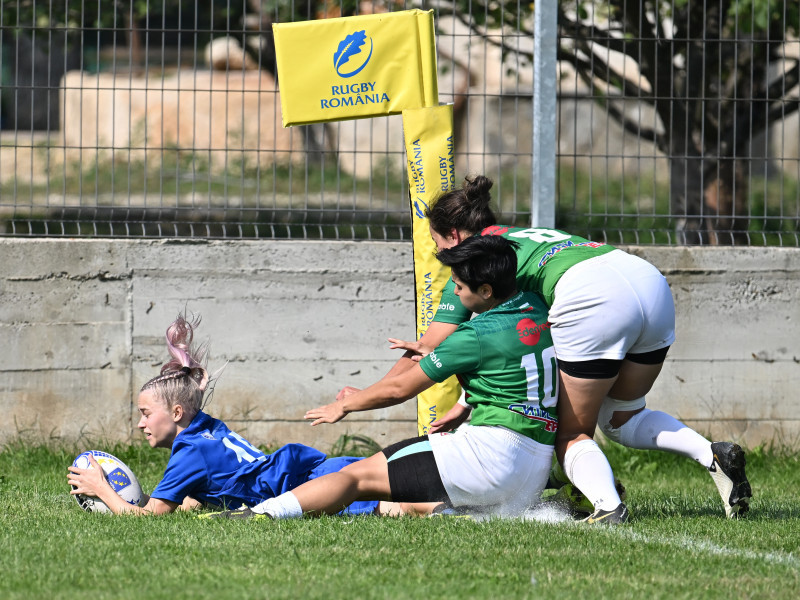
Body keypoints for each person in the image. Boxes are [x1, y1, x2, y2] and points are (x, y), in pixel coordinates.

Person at [349, 175, 751, 523]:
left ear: (453, 237)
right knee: (622, 415)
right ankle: (710, 453)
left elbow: (427, 347)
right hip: (645, 281)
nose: (441, 255)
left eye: (438, 244)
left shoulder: (478, 263)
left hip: (592, 296)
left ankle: (606, 507)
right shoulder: (520, 235)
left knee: (573, 431)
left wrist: (361, 397)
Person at [206, 235, 560, 520]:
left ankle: (262, 515)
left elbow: (398, 389)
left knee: (354, 477)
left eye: (460, 286)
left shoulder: (474, 336)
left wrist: (344, 406)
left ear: (485, 291)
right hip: (535, 468)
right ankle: (468, 514)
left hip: (490, 459)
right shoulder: (538, 304)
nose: (455, 293)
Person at [67, 313, 424, 517]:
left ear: (177, 412)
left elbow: (149, 519)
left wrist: (102, 488)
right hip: (320, 471)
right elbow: (210, 487)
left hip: (312, 490)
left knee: (408, 508)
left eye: (146, 413)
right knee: (417, 483)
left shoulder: (189, 452)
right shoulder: (205, 427)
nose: (141, 423)